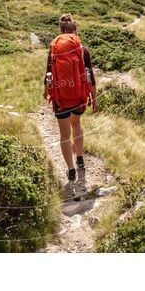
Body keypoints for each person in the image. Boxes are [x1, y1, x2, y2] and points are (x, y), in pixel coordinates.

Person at [43, 13, 99, 181]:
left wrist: (46, 91)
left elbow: (49, 73)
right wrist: (94, 99)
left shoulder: (54, 48)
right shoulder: (83, 50)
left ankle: (70, 168)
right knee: (77, 124)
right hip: (79, 96)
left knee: (64, 134)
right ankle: (80, 159)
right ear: (75, 30)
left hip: (61, 96)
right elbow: (91, 76)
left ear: (61, 30)